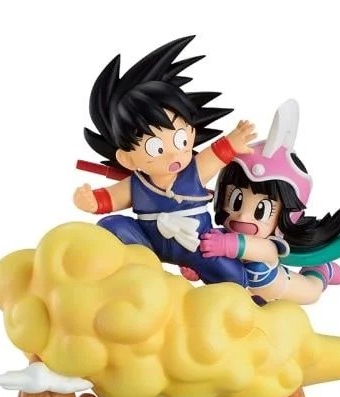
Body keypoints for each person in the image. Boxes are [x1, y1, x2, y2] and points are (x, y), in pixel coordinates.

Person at [73, 36, 256, 286]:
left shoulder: (194, 171)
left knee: (231, 276)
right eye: (156, 148)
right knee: (111, 225)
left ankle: (246, 291)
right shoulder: (137, 184)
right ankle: (143, 276)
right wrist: (90, 200)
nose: (174, 155)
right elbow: (108, 199)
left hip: (196, 244)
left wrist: (234, 141)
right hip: (148, 247)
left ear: (192, 132)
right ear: (127, 158)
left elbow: (217, 153)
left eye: (181, 140)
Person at [196, 100, 340, 305]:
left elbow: (251, 248)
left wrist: (225, 244)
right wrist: (196, 267)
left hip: (284, 288)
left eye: (261, 210)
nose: (243, 216)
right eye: (236, 201)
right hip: (247, 302)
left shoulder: (268, 247)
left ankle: (323, 270)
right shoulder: (220, 236)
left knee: (312, 291)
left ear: (285, 217)